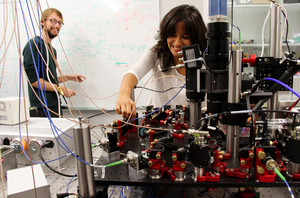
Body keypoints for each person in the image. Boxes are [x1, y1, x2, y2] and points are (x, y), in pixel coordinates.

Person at [115, 5, 207, 118]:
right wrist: (123, 94)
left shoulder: (208, 62)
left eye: (185, 36)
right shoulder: (156, 53)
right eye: (172, 35)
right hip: (158, 126)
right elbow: (133, 73)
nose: (177, 43)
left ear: (196, 38)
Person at [23, 8, 86, 117]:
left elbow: (49, 79)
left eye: (60, 23)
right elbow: (33, 80)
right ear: (42, 21)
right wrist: (60, 89)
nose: (56, 25)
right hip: (41, 107)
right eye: (53, 21)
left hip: (54, 105)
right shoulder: (34, 45)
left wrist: (68, 77)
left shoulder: (52, 50)